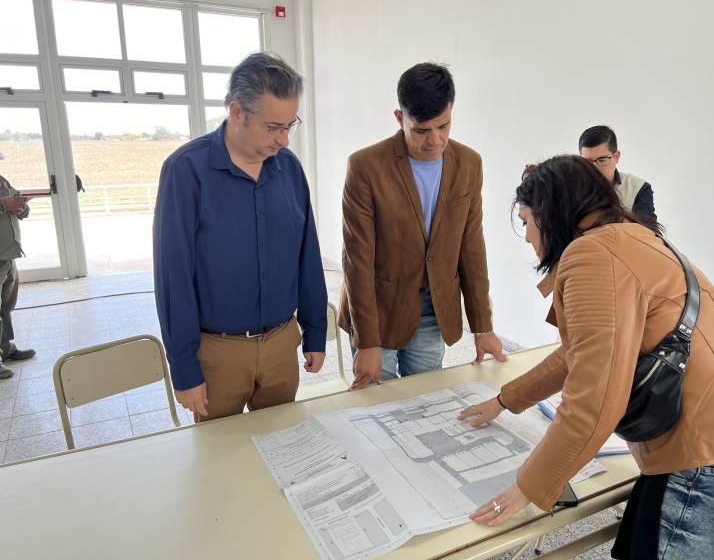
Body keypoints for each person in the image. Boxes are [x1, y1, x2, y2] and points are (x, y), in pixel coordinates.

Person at [459, 155, 714, 558]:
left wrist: (528, 486)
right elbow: (585, 351)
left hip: (702, 459)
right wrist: (506, 400)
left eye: (525, 221)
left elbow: (593, 401)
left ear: (549, 213)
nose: (526, 237)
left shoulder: (592, 256)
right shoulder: (630, 237)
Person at [153, 52, 327, 421]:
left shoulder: (289, 169)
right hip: (218, 352)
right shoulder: (186, 172)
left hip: (282, 344)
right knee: (221, 464)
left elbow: (306, 254)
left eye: (290, 125)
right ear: (237, 113)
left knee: (284, 448)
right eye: (272, 127)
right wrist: (184, 369)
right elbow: (174, 278)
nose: (284, 140)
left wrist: (314, 330)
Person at [339, 62, 505, 390]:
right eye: (422, 130)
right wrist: (367, 342)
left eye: (444, 126)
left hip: (433, 312)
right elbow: (357, 262)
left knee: (425, 401)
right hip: (378, 312)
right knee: (376, 406)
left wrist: (483, 327)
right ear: (400, 118)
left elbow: (472, 247)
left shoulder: (468, 164)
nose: (435, 140)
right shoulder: (365, 167)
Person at [0, 160, 37, 380]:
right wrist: (5, 204)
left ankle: (6, 349)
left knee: (6, 305)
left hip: (8, 254)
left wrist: (22, 207)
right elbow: (5, 203)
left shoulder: (2, 180)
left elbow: (16, 200)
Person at [578, 125, 657, 221]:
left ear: (616, 157)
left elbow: (648, 233)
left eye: (602, 160)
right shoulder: (568, 188)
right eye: (587, 161)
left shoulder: (637, 188)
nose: (594, 168)